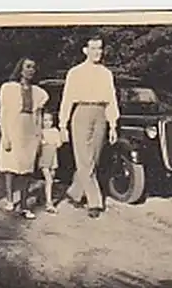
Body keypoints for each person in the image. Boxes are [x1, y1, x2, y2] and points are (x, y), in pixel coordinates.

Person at [57, 34, 120, 219]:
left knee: (94, 158)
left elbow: (111, 100)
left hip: (101, 114)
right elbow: (67, 99)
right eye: (93, 48)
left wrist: (113, 124)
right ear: (85, 50)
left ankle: (75, 192)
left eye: (100, 48)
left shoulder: (106, 73)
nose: (97, 52)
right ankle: (95, 201)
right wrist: (63, 124)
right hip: (81, 113)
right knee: (84, 158)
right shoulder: (75, 73)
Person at [0, 57, 49, 220]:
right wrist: (5, 135)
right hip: (13, 127)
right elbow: (4, 113)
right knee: (11, 166)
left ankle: (25, 205)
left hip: (29, 129)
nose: (30, 70)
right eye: (27, 67)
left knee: (27, 168)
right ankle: (10, 200)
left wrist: (39, 135)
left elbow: (38, 116)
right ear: (20, 69)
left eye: (33, 67)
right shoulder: (8, 88)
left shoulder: (39, 93)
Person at [38, 111, 63, 214]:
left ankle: (42, 196)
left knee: (51, 178)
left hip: (53, 157)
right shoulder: (41, 132)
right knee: (49, 180)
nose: (48, 122)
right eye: (45, 120)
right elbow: (39, 144)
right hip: (44, 157)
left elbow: (59, 143)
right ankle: (49, 203)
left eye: (50, 120)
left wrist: (55, 142)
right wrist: (44, 143)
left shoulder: (55, 131)